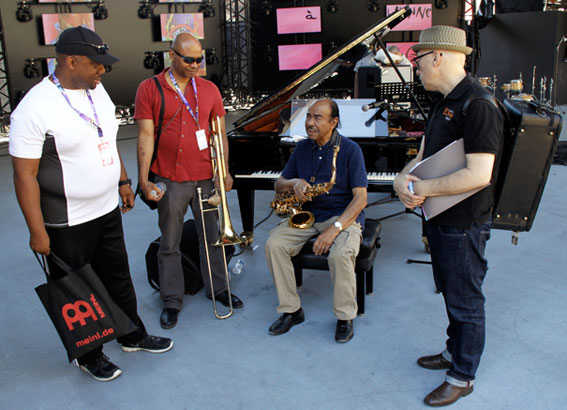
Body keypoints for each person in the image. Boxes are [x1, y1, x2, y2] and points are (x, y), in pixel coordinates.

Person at [9, 27, 173, 382]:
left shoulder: (97, 92)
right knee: (76, 292)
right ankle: (89, 354)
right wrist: (37, 231)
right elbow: (24, 176)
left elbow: (107, 139)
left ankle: (131, 334)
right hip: (65, 220)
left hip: (107, 209)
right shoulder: (34, 108)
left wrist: (123, 181)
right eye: (97, 64)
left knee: (117, 275)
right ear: (71, 61)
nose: (104, 70)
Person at [393, 25, 504, 406]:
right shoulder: (444, 101)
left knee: (465, 301)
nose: (417, 68)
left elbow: (479, 175)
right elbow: (423, 155)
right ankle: (453, 351)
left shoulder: (479, 105)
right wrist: (402, 179)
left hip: (464, 224)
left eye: (418, 60)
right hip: (441, 219)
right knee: (451, 294)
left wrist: (421, 190)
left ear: (437, 57)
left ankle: (462, 375)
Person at [135, 32, 243, 330]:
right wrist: (144, 180)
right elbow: (145, 137)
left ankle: (219, 288)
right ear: (172, 55)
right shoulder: (150, 88)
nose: (196, 64)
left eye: (200, 59)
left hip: (206, 178)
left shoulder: (209, 89)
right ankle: (171, 299)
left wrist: (225, 171)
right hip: (169, 178)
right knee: (169, 242)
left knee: (213, 236)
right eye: (189, 59)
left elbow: (219, 134)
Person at [265, 99, 368, 343]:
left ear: (333, 122)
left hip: (342, 216)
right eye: (308, 116)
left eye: (317, 118)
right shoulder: (302, 148)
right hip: (309, 215)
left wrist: (335, 229)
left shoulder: (351, 150)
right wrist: (295, 183)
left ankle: (345, 317)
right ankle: (291, 310)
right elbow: (279, 184)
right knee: (274, 245)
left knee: (339, 255)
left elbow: (361, 199)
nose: (310, 122)